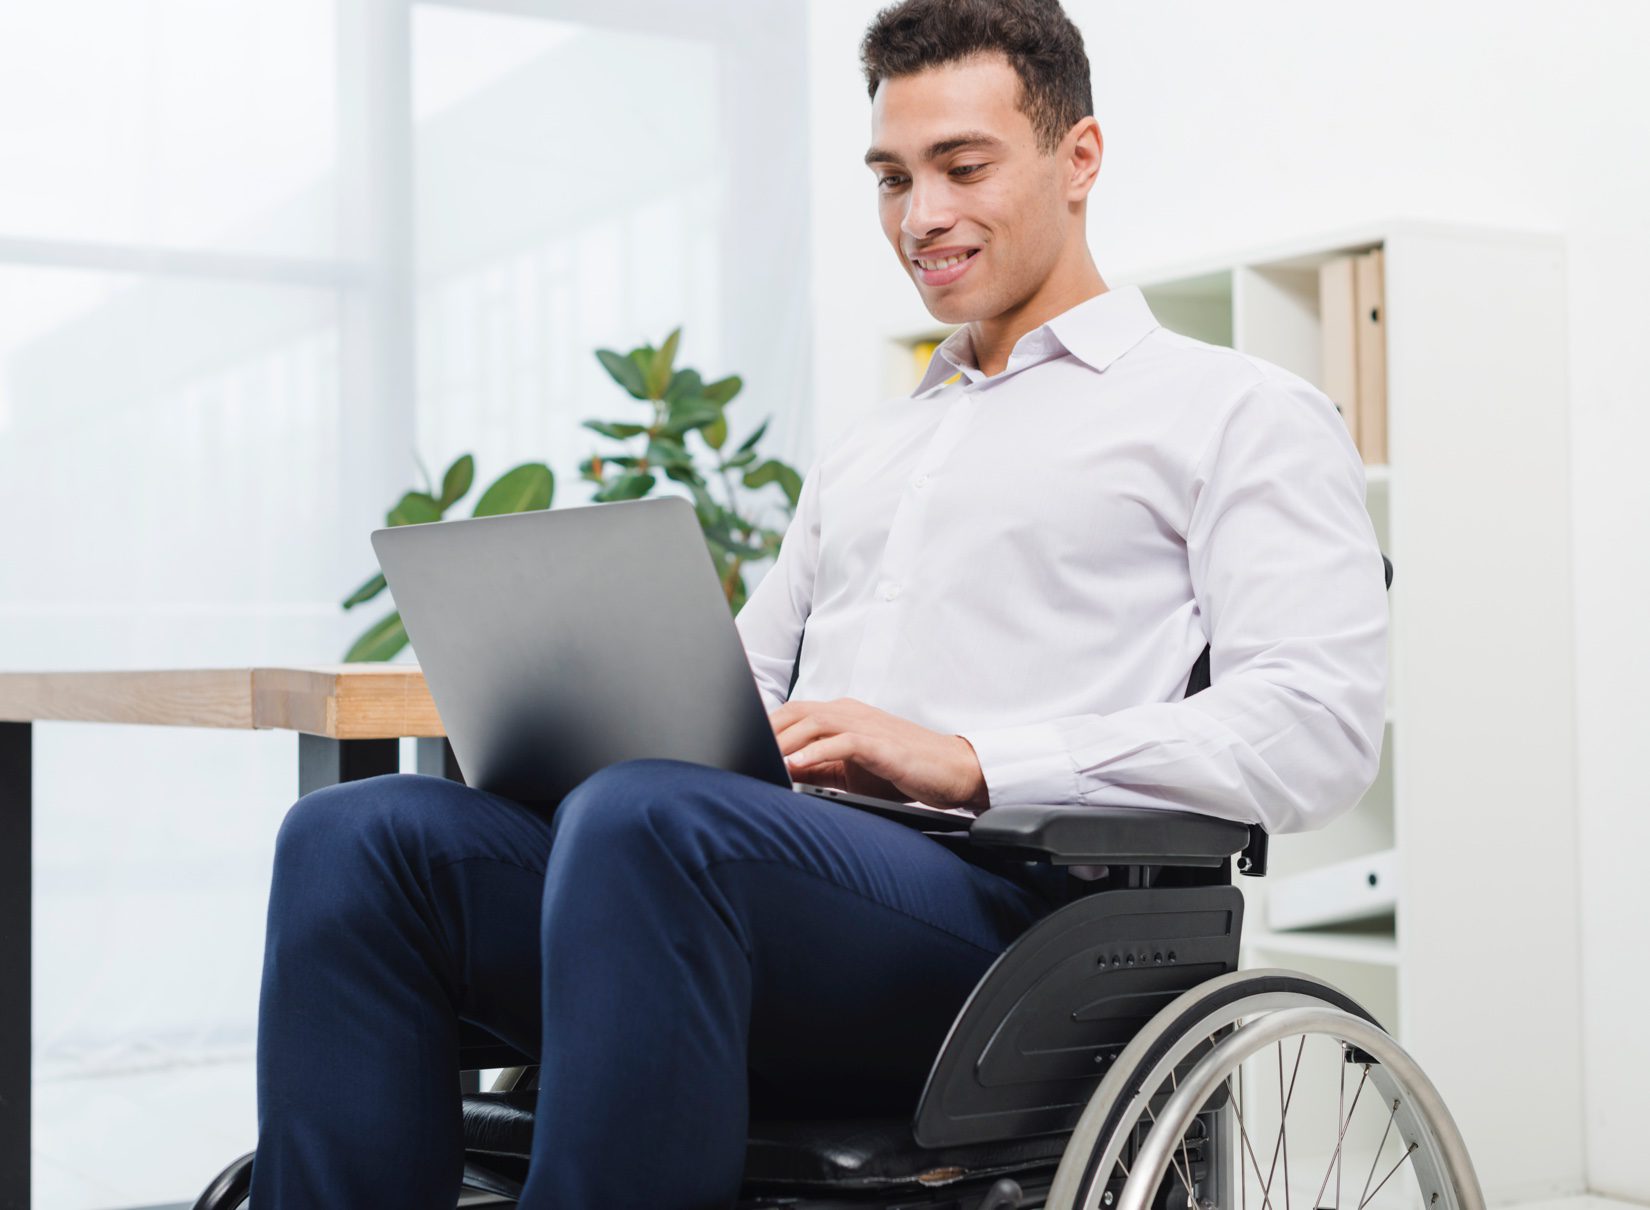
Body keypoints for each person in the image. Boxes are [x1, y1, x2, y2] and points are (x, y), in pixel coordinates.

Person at [249, 0, 1388, 1205]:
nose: (922, 215)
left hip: (1008, 936)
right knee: (355, 836)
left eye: (963, 166)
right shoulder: (871, 452)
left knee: (651, 823)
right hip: (737, 895)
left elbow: (1315, 727)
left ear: (1080, 158)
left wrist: (968, 758)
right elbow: (738, 702)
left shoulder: (1233, 412)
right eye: (892, 177)